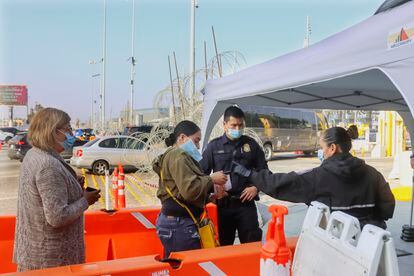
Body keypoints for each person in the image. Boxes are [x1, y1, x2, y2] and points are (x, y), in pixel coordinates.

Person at [232, 125, 395, 229]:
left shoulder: (318, 177)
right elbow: (388, 207)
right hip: (369, 244)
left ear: (332, 148)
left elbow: (281, 183)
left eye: (322, 147)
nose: (321, 151)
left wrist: (250, 174)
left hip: (335, 245)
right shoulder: (374, 174)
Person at [13, 108, 101, 271]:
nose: (71, 134)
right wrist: (85, 201)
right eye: (68, 129)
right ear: (53, 131)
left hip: (36, 253)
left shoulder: (36, 154)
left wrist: (73, 185)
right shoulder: (47, 165)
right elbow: (57, 217)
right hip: (51, 260)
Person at [153, 120, 227, 258]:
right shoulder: (178, 155)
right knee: (189, 267)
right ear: (182, 138)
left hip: (174, 222)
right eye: (196, 140)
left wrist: (212, 197)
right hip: (179, 224)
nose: (198, 146)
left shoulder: (172, 156)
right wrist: (211, 179)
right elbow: (190, 190)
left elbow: (183, 194)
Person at [200, 106, 268, 245]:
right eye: (233, 125)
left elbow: (264, 171)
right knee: (224, 248)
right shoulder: (214, 147)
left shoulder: (251, 144)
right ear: (224, 125)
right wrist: (212, 193)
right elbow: (201, 176)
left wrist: (256, 187)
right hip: (223, 206)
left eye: (240, 125)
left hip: (246, 204)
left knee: (251, 246)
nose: (237, 129)